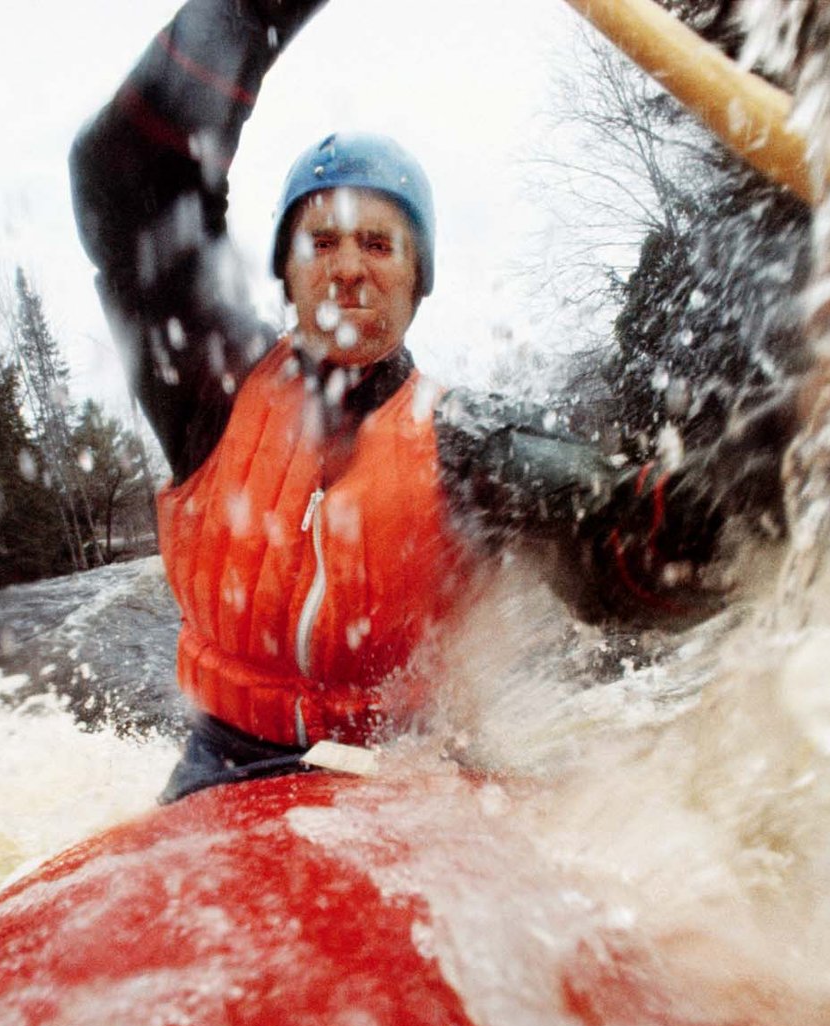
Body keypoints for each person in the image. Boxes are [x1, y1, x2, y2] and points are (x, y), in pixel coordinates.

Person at [70, 0, 788, 802]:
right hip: (224, 770)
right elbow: (127, 175)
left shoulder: (471, 443)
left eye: (377, 244)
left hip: (408, 776)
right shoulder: (210, 390)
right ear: (286, 272)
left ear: (417, 281)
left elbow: (647, 547)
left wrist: (784, 444)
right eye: (320, 241)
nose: (347, 268)